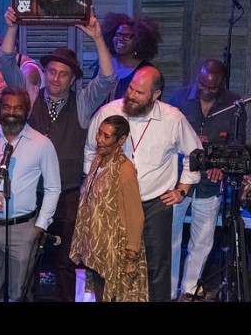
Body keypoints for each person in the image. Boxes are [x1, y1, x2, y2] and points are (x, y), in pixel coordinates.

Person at [0, 5, 116, 302]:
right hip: (30, 192)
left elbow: (106, 79)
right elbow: (7, 62)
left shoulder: (82, 104)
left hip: (67, 195)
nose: (56, 78)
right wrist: (12, 26)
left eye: (63, 74)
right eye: (52, 71)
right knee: (27, 259)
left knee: (65, 262)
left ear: (72, 79)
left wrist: (98, 39)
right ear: (45, 72)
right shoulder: (31, 96)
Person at [85, 65, 202, 302]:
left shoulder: (172, 118)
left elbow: (196, 153)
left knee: (156, 267)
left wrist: (183, 189)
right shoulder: (108, 112)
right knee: (108, 263)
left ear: (155, 95)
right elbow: (90, 150)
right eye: (130, 88)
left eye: (139, 92)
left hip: (154, 206)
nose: (131, 95)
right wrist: (97, 186)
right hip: (113, 204)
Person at [0, 87, 61, 302]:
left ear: (26, 111)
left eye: (18, 108)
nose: (11, 112)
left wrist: (40, 226)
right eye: (7, 106)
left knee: (20, 293)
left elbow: (53, 187)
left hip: (23, 228)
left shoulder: (42, 144)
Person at [168, 59, 245, 301]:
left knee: (202, 240)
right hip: (178, 180)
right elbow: (165, 139)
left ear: (222, 83)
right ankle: (168, 290)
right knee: (170, 237)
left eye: (212, 87)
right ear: (197, 78)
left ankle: (189, 289)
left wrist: (221, 165)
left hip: (210, 184)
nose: (206, 90)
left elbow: (237, 144)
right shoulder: (178, 100)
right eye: (202, 84)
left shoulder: (234, 104)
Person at [70, 115, 148, 302]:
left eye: (106, 136)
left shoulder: (124, 168)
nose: (99, 139)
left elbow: (135, 215)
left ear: (121, 140)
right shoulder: (98, 160)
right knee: (99, 293)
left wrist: (131, 256)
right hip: (97, 249)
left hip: (116, 252)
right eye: (99, 133)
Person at [94, 12, 162, 103]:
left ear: (139, 40)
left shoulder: (147, 71)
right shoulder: (103, 64)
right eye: (118, 34)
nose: (120, 39)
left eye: (127, 36)